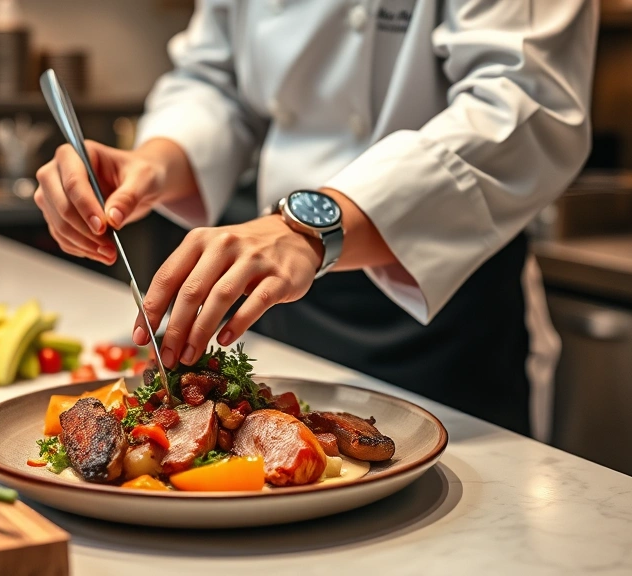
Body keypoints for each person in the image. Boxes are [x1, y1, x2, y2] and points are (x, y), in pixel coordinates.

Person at [34, 0, 597, 435]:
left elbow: (526, 104)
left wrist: (309, 229)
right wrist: (154, 162)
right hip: (282, 283)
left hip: (437, 294)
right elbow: (217, 80)